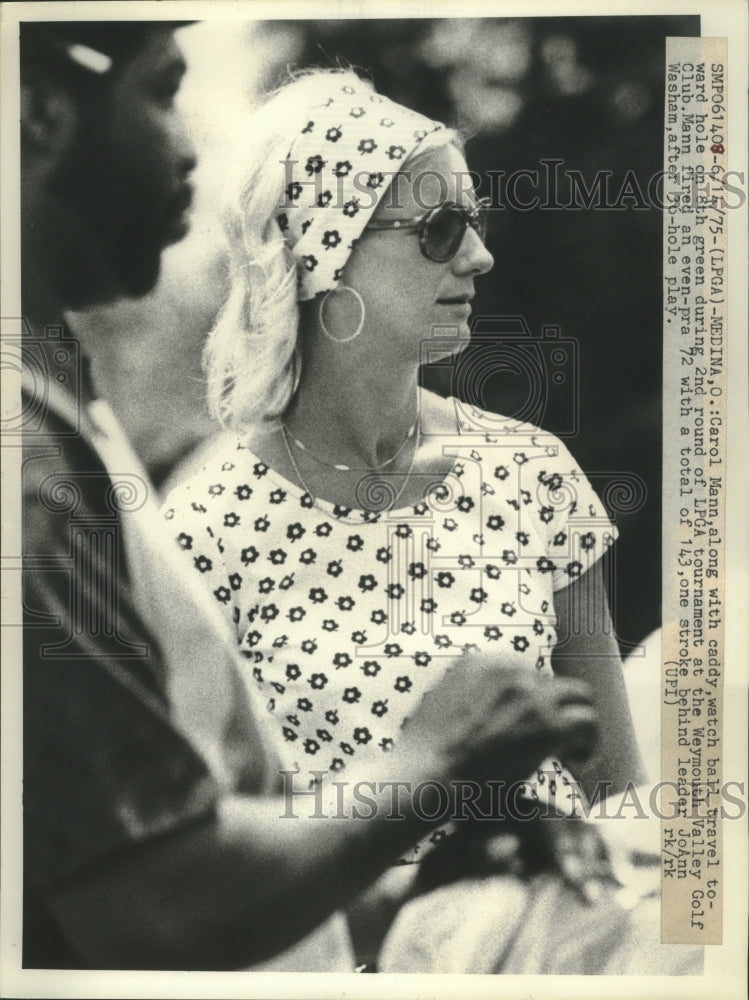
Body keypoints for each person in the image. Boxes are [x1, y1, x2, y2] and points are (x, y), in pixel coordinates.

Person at [18, 24, 599, 971]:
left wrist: (430, 882)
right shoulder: (40, 474)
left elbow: (216, 854)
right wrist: (439, 761)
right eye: (162, 91)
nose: (188, 146)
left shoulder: (64, 415)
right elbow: (152, 910)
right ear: (41, 110)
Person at [162, 67, 647, 963]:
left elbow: (616, 789)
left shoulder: (533, 474)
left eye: (474, 221)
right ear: (322, 251)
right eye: (437, 229)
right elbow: (209, 859)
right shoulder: (200, 531)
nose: (478, 256)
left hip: (561, 949)